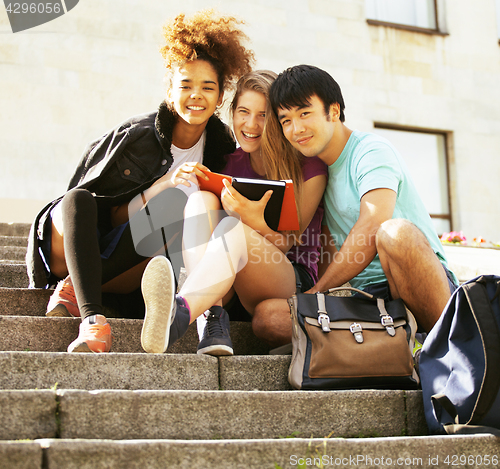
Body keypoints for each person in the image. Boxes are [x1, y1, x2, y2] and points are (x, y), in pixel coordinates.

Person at [25, 10, 253, 353]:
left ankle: (87, 301)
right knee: (78, 199)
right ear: (169, 89)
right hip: (75, 251)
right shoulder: (137, 136)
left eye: (207, 87)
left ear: (220, 97)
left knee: (178, 209)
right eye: (185, 85)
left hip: (132, 267)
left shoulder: (222, 150)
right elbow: (105, 215)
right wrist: (162, 184)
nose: (196, 95)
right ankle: (91, 319)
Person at [250, 64, 459, 348]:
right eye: (285, 120)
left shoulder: (370, 151)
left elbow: (373, 225)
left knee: (395, 234)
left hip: (420, 284)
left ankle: (447, 342)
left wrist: (317, 294)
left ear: (333, 111)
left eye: (304, 113)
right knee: (268, 317)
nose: (296, 128)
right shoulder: (317, 175)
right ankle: (397, 346)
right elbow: (325, 247)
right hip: (369, 300)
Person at [139, 70, 328, 355]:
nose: (251, 124)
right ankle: (213, 320)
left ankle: (178, 316)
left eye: (263, 115)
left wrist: (251, 218)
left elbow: (287, 242)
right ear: (233, 112)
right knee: (201, 200)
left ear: (277, 119)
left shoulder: (310, 167)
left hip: (289, 277)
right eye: (243, 112)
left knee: (235, 230)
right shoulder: (229, 163)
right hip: (229, 278)